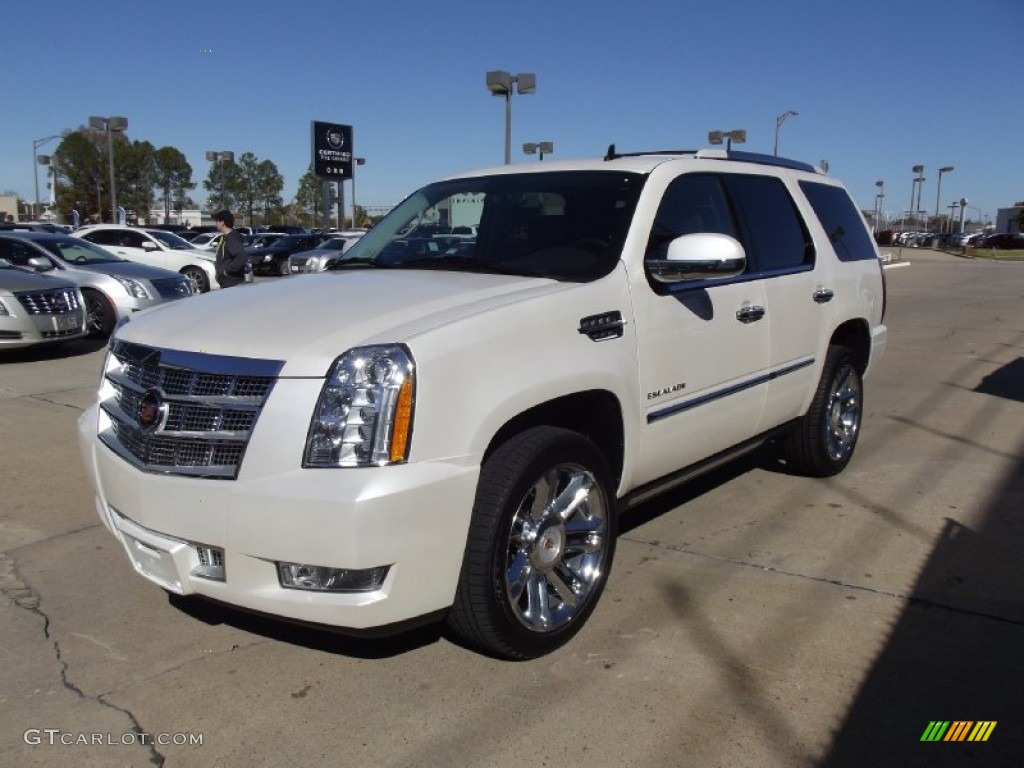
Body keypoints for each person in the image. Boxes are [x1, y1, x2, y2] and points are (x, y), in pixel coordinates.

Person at [213, 209, 249, 287]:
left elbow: (241, 257)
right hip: (227, 282)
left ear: (222, 222)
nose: (215, 223)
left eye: (217, 221)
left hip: (232, 283)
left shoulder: (232, 238)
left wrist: (226, 271)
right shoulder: (225, 237)